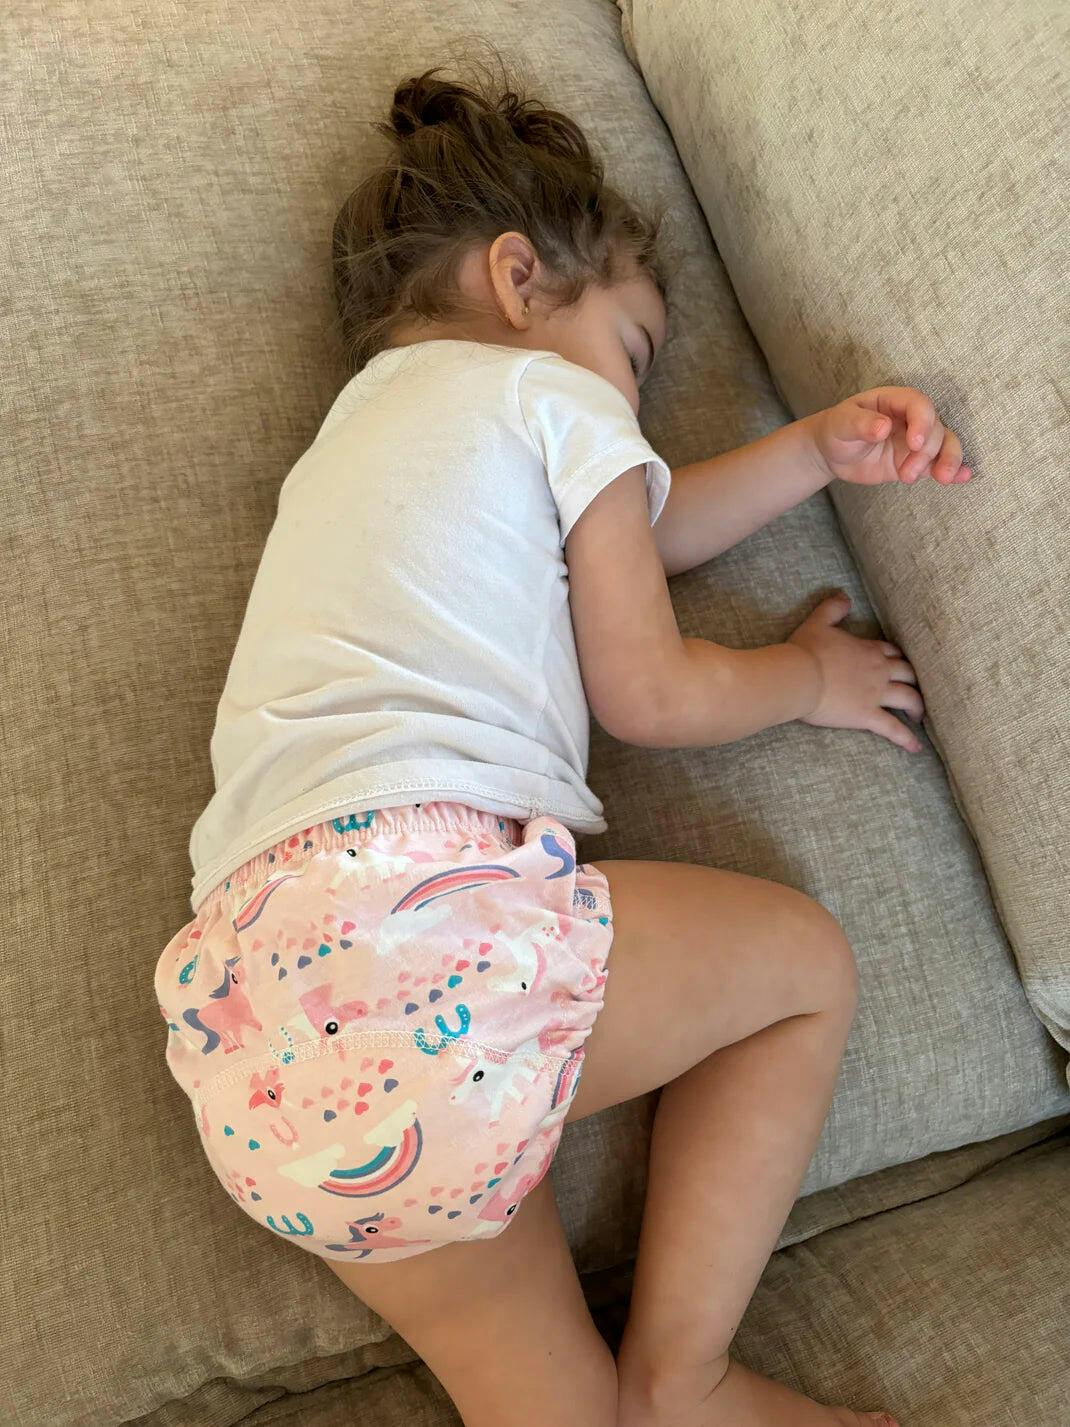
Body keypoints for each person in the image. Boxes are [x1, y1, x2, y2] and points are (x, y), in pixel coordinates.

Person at [153, 46, 972, 1427]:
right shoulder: (549, 396)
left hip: (259, 1044)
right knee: (802, 971)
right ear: (519, 279)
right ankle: (682, 1376)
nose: (633, 409)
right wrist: (802, 679)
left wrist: (808, 452)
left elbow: (638, 524)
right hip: (417, 948)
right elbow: (647, 691)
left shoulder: (348, 450)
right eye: (634, 356)